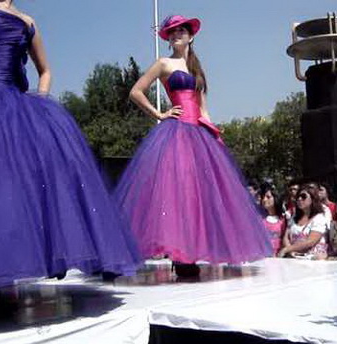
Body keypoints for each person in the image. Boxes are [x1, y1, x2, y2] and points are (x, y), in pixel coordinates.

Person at [0, 0, 140, 289]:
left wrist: (41, 103)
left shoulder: (27, 20)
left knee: (22, 188)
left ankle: (19, 269)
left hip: (15, 105)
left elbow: (44, 70)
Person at [114, 15, 271, 276]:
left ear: (190, 35)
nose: (177, 34)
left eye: (181, 30)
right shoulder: (164, 63)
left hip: (198, 133)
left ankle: (191, 254)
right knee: (178, 192)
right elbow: (135, 91)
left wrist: (214, 136)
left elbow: (203, 107)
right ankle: (179, 256)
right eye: (172, 31)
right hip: (176, 133)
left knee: (199, 195)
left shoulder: (197, 68)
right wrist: (159, 114)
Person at [278, 184, 329, 259]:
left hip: (313, 261)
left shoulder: (319, 218)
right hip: (293, 258)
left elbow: (311, 241)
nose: (299, 199)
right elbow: (286, 237)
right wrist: (290, 252)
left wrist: (287, 249)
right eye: (298, 196)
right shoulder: (294, 217)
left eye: (303, 196)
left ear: (312, 199)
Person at [259, 184, 286, 256]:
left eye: (268, 197)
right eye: (263, 197)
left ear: (276, 198)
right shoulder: (259, 219)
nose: (264, 199)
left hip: (278, 257)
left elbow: (285, 239)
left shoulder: (283, 219)